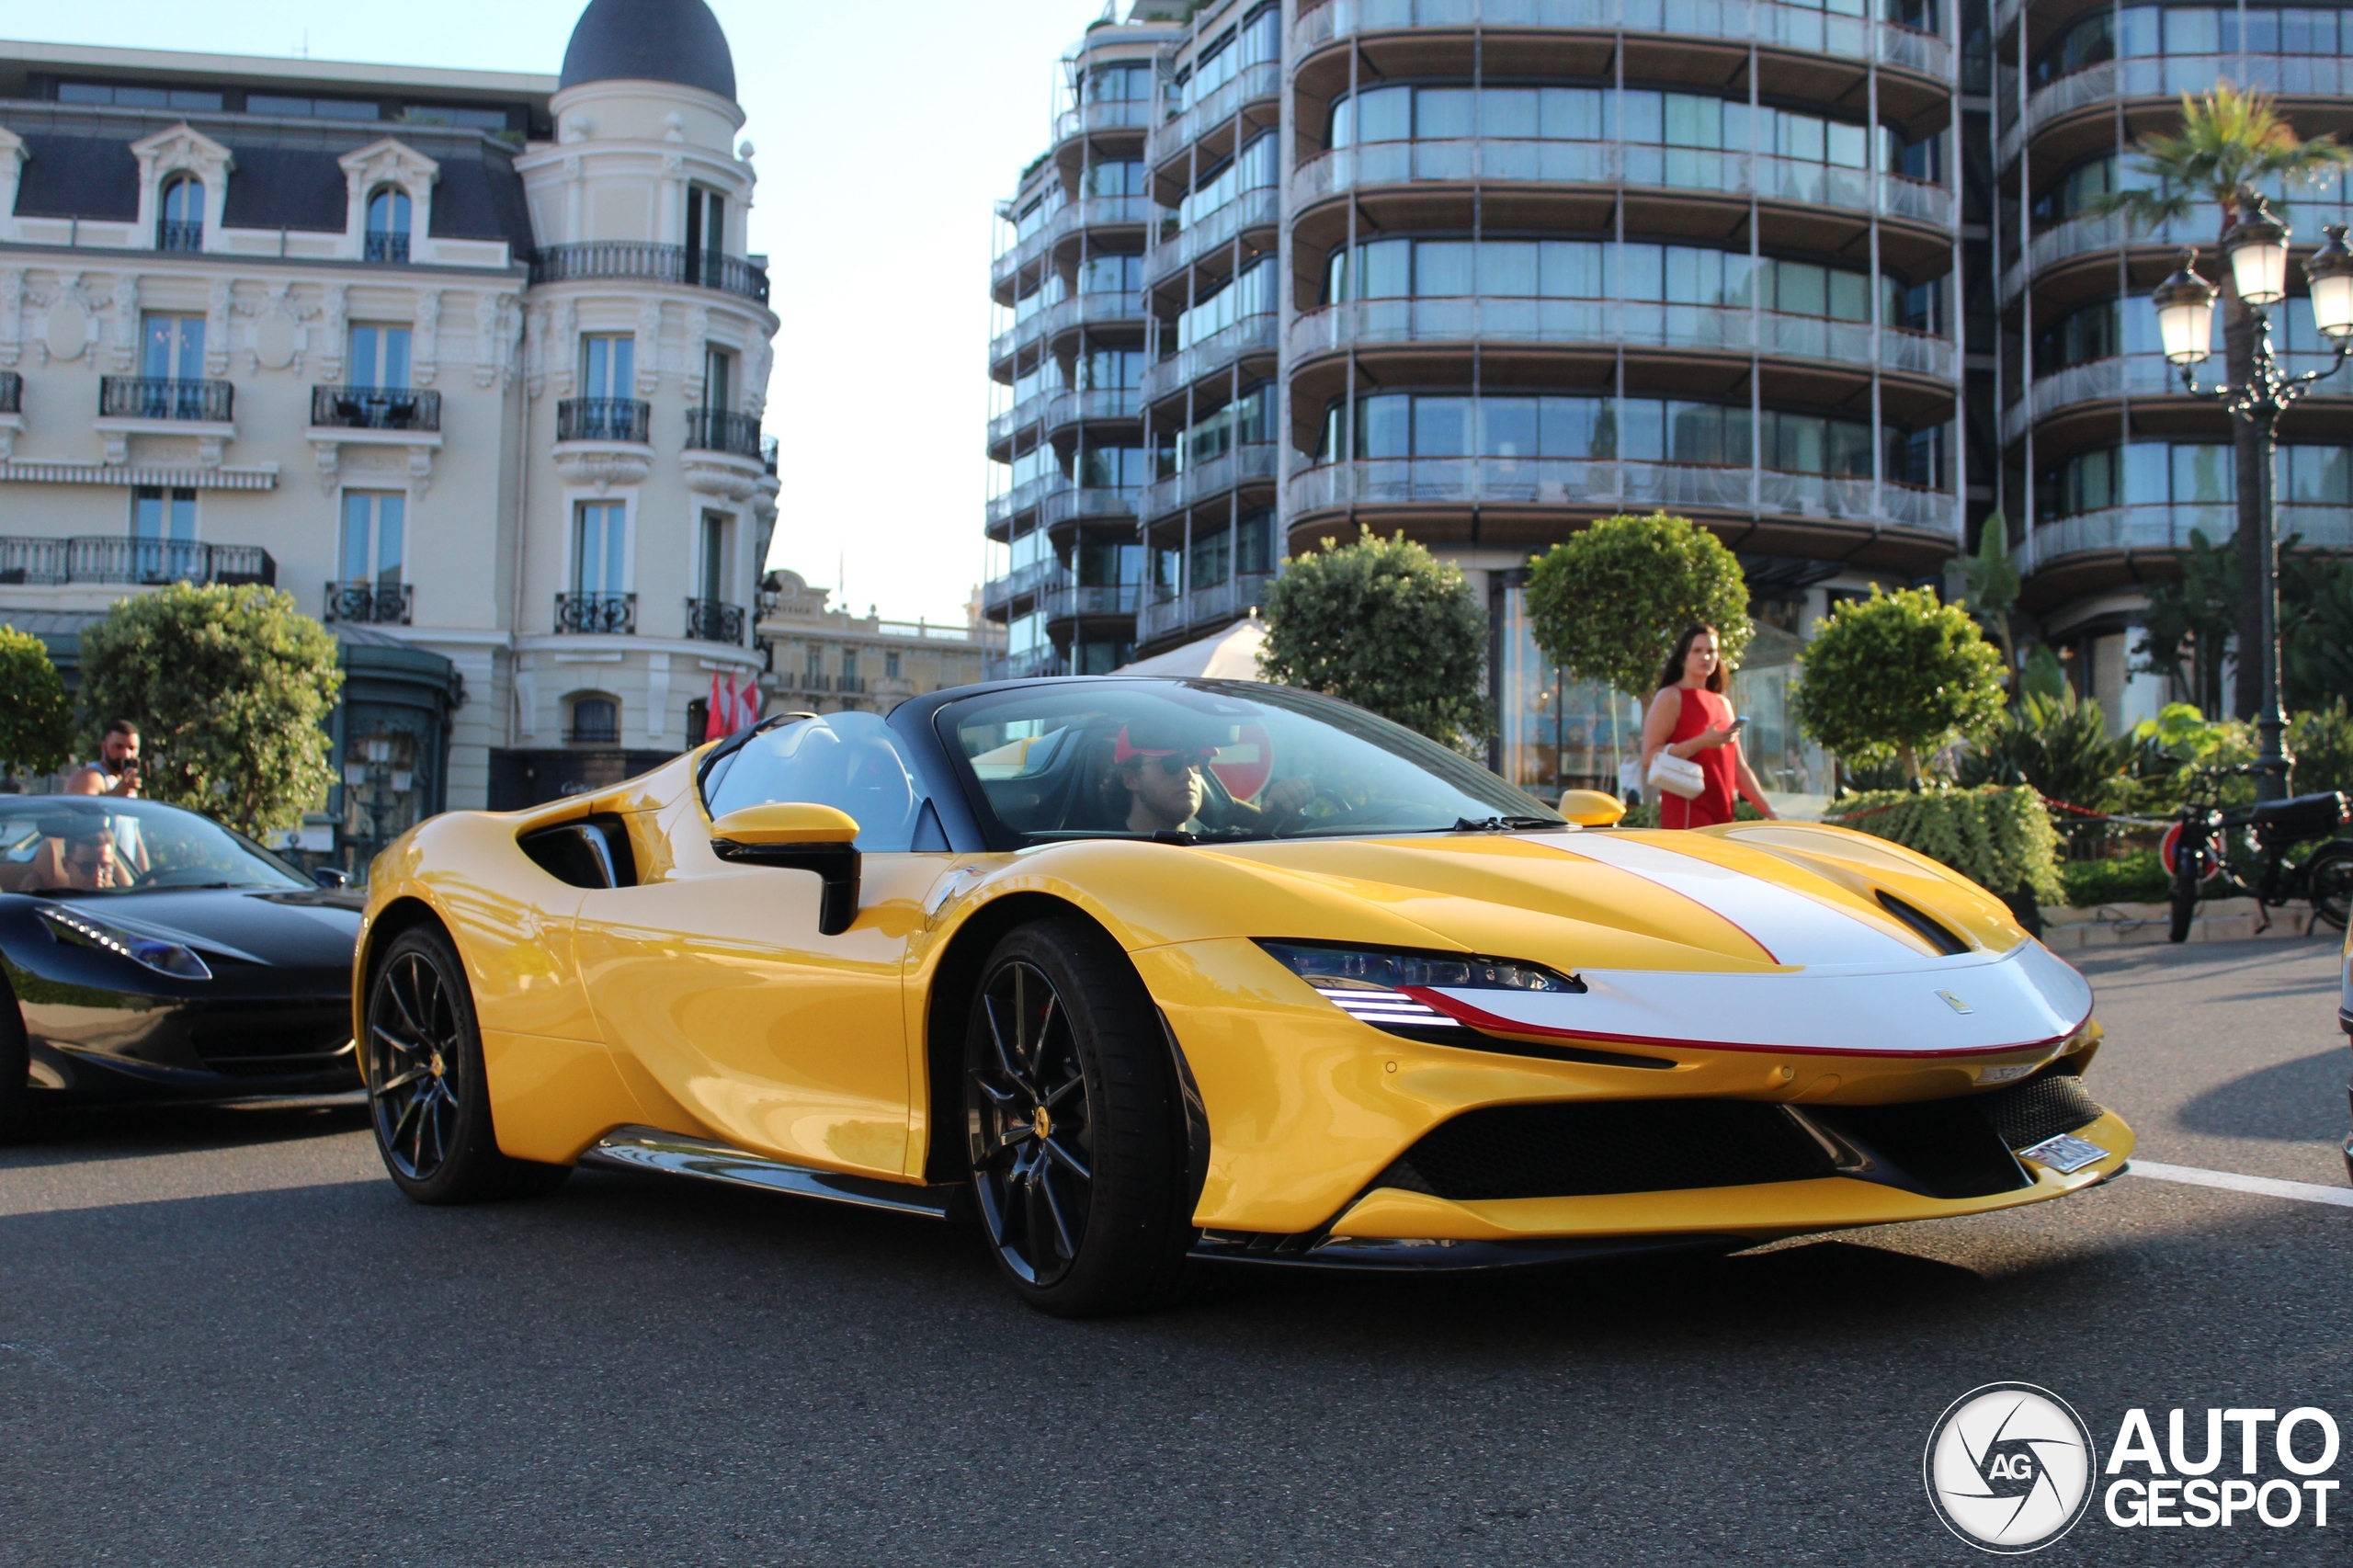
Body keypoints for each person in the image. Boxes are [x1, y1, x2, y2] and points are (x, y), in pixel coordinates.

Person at [1638, 624, 1778, 830]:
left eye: (1711, 651)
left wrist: (1769, 812)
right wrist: (1701, 742)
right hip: (1687, 809)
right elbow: (1649, 757)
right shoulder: (1671, 696)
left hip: (1722, 808)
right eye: (1697, 651)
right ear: (1683, 657)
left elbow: (1738, 767)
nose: (1705, 657)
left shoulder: (1722, 703)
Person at [1102, 721, 1313, 835]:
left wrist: (1285, 807)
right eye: (1171, 764)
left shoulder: (1228, 844)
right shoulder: (1099, 855)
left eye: (1196, 762)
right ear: (1130, 780)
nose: (1188, 774)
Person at [64, 720, 142, 799]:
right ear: (104, 747)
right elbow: (82, 807)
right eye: (119, 747)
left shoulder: (126, 781)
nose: (126, 754)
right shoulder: (90, 777)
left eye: (131, 748)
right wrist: (118, 793)